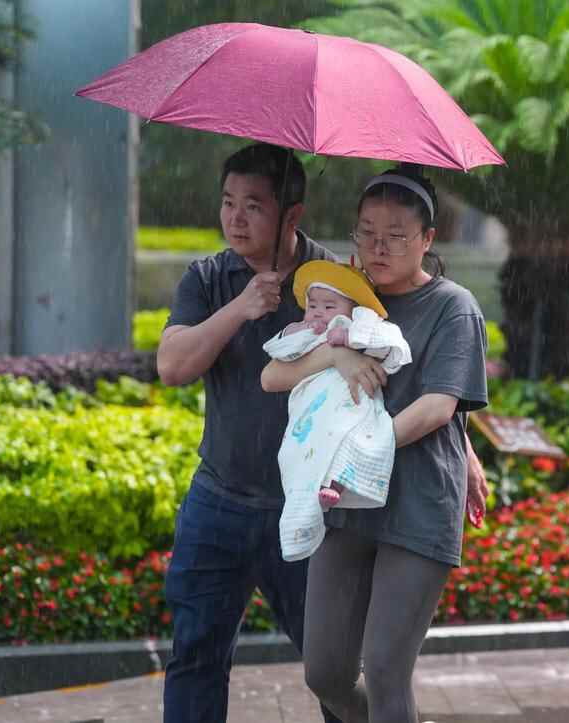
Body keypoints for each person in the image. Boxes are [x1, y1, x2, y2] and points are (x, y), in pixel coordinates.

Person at [261, 166, 489, 723]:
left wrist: (365, 449)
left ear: (428, 240)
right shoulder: (341, 297)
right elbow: (276, 373)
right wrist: (335, 355)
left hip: (417, 501)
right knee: (327, 672)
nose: (377, 247)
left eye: (395, 235)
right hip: (345, 504)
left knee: (386, 669)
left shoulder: (452, 306)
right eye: (366, 232)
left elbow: (439, 405)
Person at [155, 142, 344, 723]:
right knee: (195, 657)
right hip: (219, 501)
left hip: (309, 509)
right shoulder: (209, 278)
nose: (235, 218)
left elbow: (397, 365)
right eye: (228, 203)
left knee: (334, 665)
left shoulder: (335, 281)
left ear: (293, 215)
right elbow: (173, 367)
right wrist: (239, 307)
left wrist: (461, 447)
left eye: (253, 206)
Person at [262, 260, 412, 564]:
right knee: (295, 452)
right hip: (312, 406)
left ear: (354, 309)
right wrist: (298, 331)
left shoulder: (359, 325)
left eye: (329, 306)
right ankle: (302, 507)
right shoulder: (308, 333)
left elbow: (391, 344)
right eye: (312, 305)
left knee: (349, 438)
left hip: (350, 400)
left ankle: (334, 484)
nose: (318, 312)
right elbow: (278, 356)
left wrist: (349, 339)